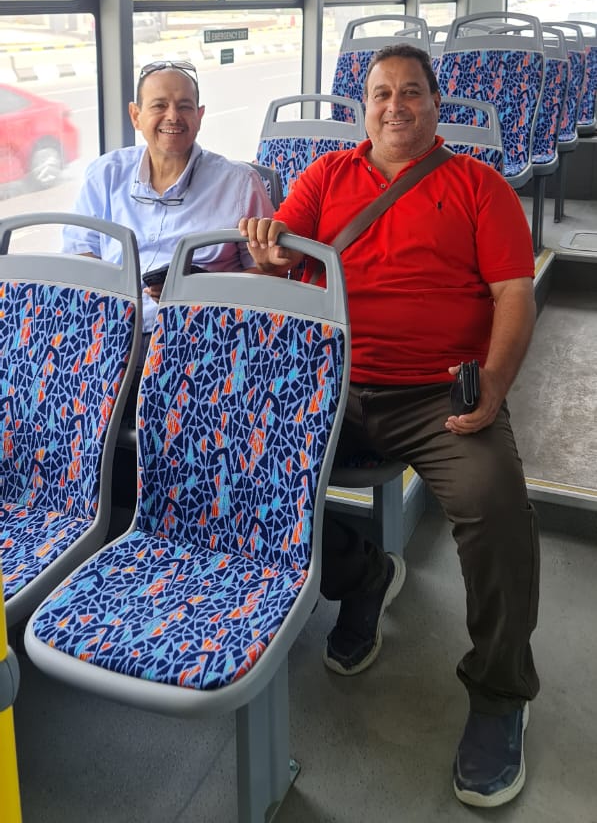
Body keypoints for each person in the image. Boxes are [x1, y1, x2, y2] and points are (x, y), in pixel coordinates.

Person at [240, 43, 539, 809]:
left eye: (411, 92)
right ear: (363, 106)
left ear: (436, 104)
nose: (395, 105)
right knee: (243, 471)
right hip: (330, 383)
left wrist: (493, 384)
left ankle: (500, 692)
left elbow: (513, 294)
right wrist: (264, 249)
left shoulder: (478, 186)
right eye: (381, 93)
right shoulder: (325, 177)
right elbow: (279, 258)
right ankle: (362, 574)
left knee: (495, 504)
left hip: (436, 394)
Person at [63, 58, 274, 401]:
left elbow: (267, 275)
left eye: (185, 106)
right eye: (159, 105)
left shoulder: (239, 184)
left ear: (199, 117)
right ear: (136, 115)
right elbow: (80, 255)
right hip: (110, 331)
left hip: (203, 338)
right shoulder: (105, 175)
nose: (173, 116)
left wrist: (201, 289)